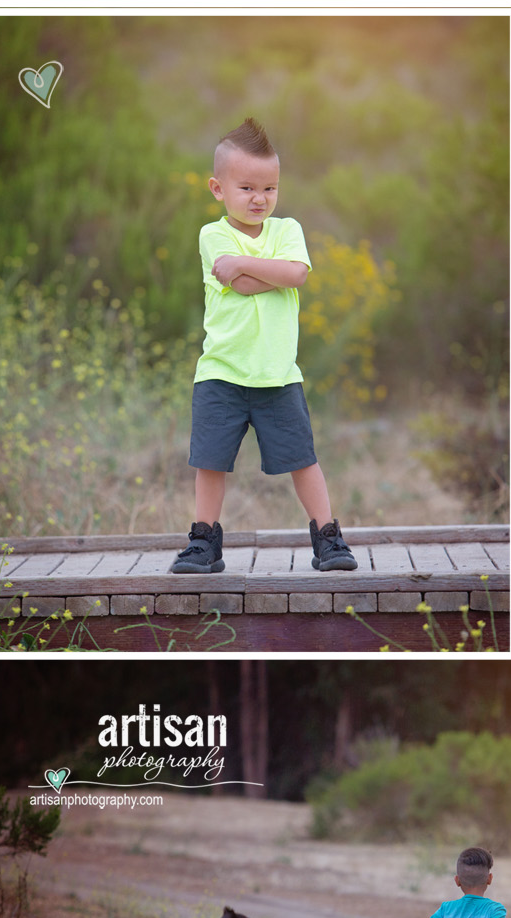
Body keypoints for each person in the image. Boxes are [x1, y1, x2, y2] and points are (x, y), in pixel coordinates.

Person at [170, 119, 357, 577]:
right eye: (247, 187)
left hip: (277, 374)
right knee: (210, 461)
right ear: (218, 188)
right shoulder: (211, 236)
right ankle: (203, 543)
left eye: (269, 188)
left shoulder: (288, 228)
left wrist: (247, 268)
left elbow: (296, 275)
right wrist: (263, 271)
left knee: (302, 459)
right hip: (221, 372)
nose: (260, 198)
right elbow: (254, 279)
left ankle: (327, 537)